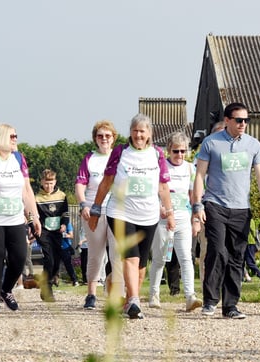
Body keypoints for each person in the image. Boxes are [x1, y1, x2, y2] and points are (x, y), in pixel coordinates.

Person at [88, 113, 175, 320]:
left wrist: (169, 213)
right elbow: (106, 182)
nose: (138, 135)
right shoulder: (120, 152)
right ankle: (135, 299)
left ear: (149, 134)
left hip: (148, 215)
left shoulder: (157, 154)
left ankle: (128, 299)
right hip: (120, 213)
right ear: (130, 133)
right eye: (135, 131)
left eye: (142, 131)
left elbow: (163, 186)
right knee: (131, 257)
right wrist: (95, 209)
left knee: (141, 264)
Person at [192, 103, 260, 319]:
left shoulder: (253, 145)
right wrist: (197, 205)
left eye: (246, 120)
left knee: (237, 257)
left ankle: (230, 306)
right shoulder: (211, 143)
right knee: (217, 251)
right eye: (238, 120)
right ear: (227, 120)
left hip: (241, 209)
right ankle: (210, 301)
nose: (243, 124)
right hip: (215, 205)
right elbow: (199, 175)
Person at [0, 123, 41, 316]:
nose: (15, 139)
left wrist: (33, 216)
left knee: (19, 258)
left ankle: (6, 289)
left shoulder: (19, 158)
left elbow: (27, 191)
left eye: (16, 136)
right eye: (12, 136)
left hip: (15, 219)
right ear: (1, 137)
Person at [148, 132, 201, 312]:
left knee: (186, 257)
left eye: (183, 151)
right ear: (168, 151)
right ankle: (154, 294)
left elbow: (193, 195)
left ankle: (190, 296)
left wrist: (195, 218)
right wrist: (160, 207)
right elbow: (153, 192)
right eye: (176, 151)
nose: (179, 155)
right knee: (160, 257)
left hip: (183, 217)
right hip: (163, 219)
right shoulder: (161, 168)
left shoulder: (189, 169)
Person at [76, 120, 119, 310]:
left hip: (116, 210)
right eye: (100, 136)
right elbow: (80, 184)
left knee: (117, 253)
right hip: (94, 211)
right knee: (96, 254)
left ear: (113, 138)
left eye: (107, 136)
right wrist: (83, 203)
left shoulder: (120, 158)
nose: (104, 139)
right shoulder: (89, 159)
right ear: (95, 138)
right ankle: (91, 293)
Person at [35, 169, 70, 300]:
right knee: (48, 258)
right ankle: (47, 288)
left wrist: (64, 224)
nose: (48, 186)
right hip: (43, 231)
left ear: (55, 182)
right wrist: (33, 227)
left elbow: (65, 213)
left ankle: (51, 278)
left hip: (57, 232)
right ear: (42, 182)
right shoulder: (36, 198)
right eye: (46, 183)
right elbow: (32, 216)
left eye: (51, 183)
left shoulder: (62, 196)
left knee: (56, 260)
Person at [244, 218, 260, 282]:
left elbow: (253, 232)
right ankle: (246, 278)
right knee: (240, 262)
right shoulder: (248, 220)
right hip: (244, 243)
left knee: (250, 263)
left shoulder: (250, 220)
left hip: (250, 243)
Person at [59, 221, 79, 286]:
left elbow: (71, 235)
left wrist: (62, 234)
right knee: (54, 265)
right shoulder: (55, 223)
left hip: (66, 247)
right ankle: (54, 280)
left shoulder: (68, 224)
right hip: (56, 247)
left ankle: (75, 280)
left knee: (68, 265)